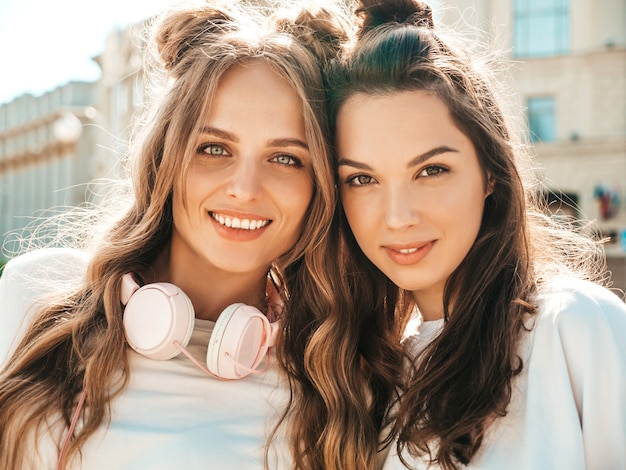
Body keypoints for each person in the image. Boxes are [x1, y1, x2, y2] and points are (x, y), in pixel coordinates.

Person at [0, 1, 396, 468]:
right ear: (166, 158)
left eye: (286, 158)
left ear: (320, 187)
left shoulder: (340, 391)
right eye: (214, 148)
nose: (246, 190)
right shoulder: (34, 295)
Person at [325, 0, 626, 469]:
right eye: (362, 179)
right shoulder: (372, 378)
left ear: (490, 172)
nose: (398, 216)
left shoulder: (572, 326)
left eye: (431, 170)